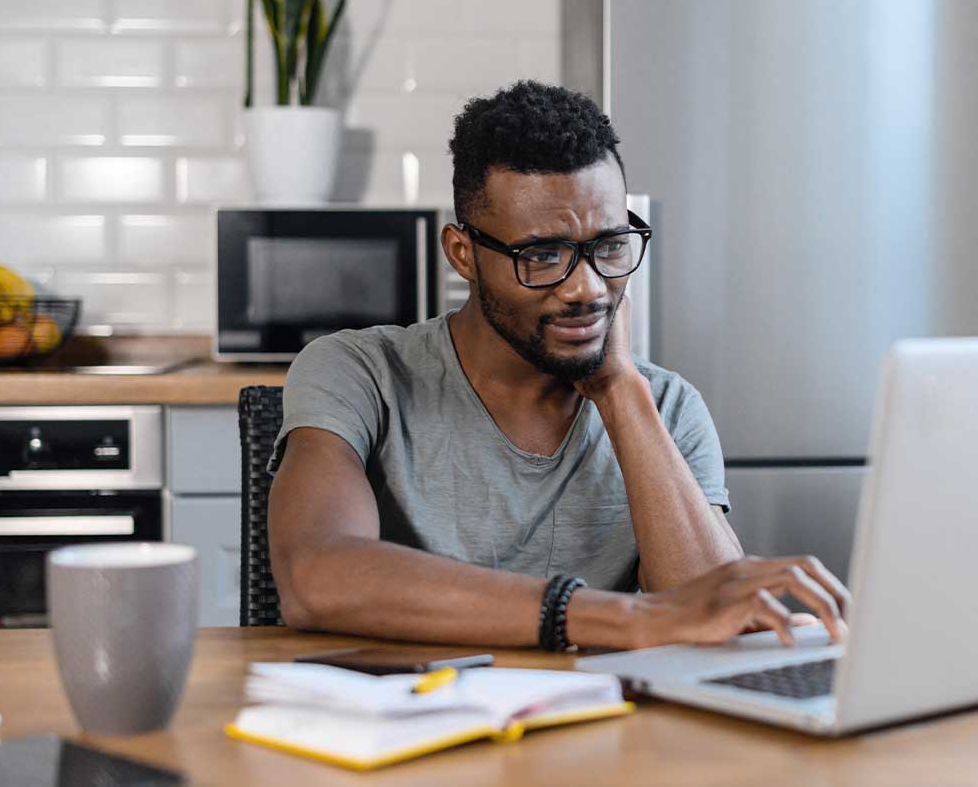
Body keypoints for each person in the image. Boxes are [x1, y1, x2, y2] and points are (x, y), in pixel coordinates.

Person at [267, 80, 849, 650]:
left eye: (610, 247)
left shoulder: (667, 406)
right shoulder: (358, 371)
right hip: (409, 726)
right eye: (543, 255)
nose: (587, 288)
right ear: (463, 254)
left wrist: (619, 390)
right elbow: (314, 576)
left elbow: (707, 617)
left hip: (604, 733)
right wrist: (627, 620)